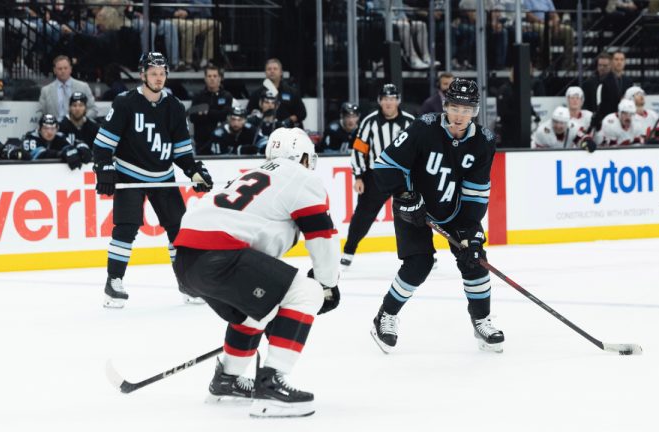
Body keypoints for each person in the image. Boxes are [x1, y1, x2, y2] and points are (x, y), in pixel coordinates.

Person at [173, 127, 340, 418]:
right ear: (302, 157)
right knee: (306, 292)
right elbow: (322, 236)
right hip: (220, 256)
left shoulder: (251, 175)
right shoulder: (302, 178)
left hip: (186, 261)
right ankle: (270, 384)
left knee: (262, 304)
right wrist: (327, 284)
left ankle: (228, 378)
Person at [368, 78, 502, 354]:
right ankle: (385, 315)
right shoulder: (424, 127)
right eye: (455, 108)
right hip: (413, 204)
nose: (460, 115)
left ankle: (481, 320)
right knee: (419, 263)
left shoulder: (483, 142)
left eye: (467, 110)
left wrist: (471, 233)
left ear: (475, 111)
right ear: (446, 106)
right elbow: (384, 166)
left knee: (475, 260)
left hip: (453, 210)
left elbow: (475, 195)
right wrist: (406, 197)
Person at [92, 52, 214, 308]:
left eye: (162, 73)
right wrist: (103, 168)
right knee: (126, 228)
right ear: (143, 75)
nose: (158, 78)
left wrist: (194, 171)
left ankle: (187, 283)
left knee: (179, 230)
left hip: (163, 176)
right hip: (129, 174)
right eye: (153, 73)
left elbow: (182, 152)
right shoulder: (125, 102)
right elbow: (102, 145)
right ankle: (113, 282)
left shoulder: (175, 107)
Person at [342, 84, 416, 269]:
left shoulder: (410, 121)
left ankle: (421, 250)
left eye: (392, 98)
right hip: (376, 177)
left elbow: (419, 149)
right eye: (385, 99)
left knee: (414, 213)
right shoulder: (370, 121)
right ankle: (349, 251)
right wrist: (358, 176)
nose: (389, 102)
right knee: (363, 216)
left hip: (403, 177)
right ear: (379, 101)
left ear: (398, 100)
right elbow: (359, 150)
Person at [15, 114, 92, 169]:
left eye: (52, 128)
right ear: (39, 128)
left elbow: (72, 145)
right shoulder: (31, 137)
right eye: (46, 128)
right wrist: (61, 154)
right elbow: (39, 155)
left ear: (57, 128)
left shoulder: (59, 136)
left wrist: (82, 149)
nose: (49, 132)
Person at [246, 58, 307, 126]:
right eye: (269, 69)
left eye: (275, 69)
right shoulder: (257, 94)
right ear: (265, 72)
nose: (272, 71)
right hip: (266, 131)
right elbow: (249, 113)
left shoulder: (292, 92)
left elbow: (302, 113)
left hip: (288, 131)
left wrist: (288, 121)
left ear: (281, 72)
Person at [37, 55, 98, 121]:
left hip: (79, 128)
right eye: (60, 69)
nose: (63, 71)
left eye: (65, 68)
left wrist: (80, 120)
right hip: (56, 129)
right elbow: (41, 113)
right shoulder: (46, 91)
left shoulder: (83, 87)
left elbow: (93, 109)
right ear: (54, 70)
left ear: (70, 69)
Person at [189, 64, 233, 148]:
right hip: (201, 142)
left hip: (222, 141)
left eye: (215, 76)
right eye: (209, 76)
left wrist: (205, 112)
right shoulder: (198, 96)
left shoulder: (227, 96)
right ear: (205, 78)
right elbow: (192, 117)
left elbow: (224, 116)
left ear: (220, 78)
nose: (212, 78)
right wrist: (217, 113)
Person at [592, 50, 633, 130]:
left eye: (621, 59)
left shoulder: (629, 81)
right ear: (611, 62)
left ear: (625, 62)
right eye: (616, 59)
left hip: (625, 122)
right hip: (609, 121)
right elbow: (601, 105)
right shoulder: (603, 80)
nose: (619, 62)